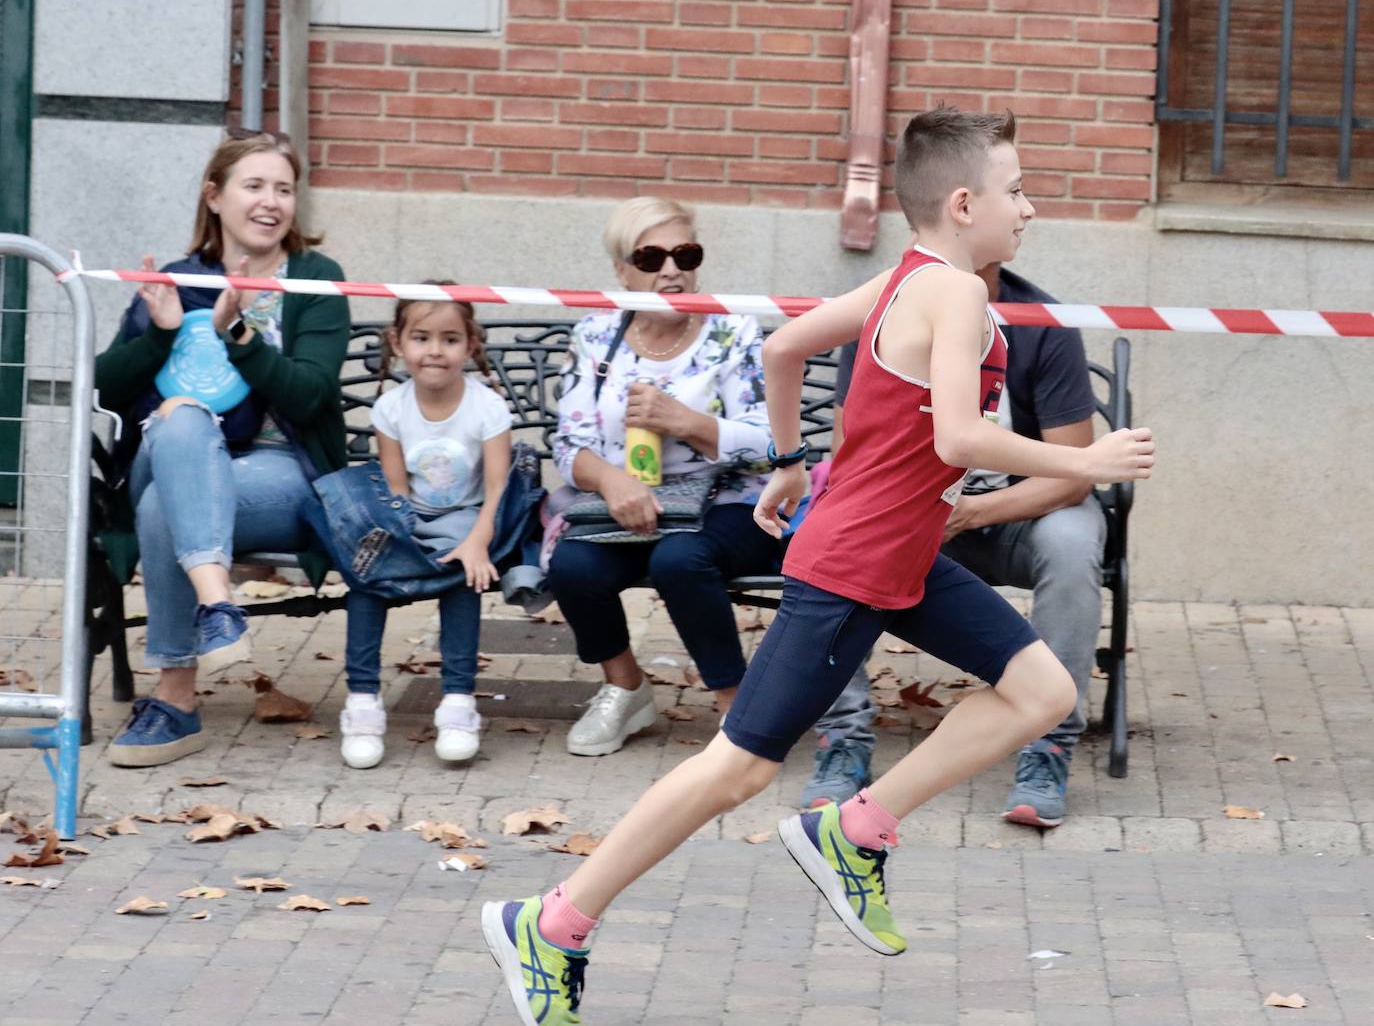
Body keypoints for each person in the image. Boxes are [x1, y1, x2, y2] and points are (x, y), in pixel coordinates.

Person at [481, 106, 1155, 1023]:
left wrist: (792, 459)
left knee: (1042, 692)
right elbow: (959, 437)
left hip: (903, 554)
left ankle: (856, 830)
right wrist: (1088, 460)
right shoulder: (953, 293)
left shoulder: (907, 277)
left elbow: (781, 346)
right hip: (853, 565)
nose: (1029, 208)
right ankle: (550, 921)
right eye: (1018, 190)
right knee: (738, 769)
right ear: (964, 204)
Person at [800, 263, 1107, 829]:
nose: (1025, 219)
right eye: (1011, 207)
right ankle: (842, 738)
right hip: (915, 516)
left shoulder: (1042, 319)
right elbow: (851, 453)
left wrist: (971, 512)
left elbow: (1073, 475)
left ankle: (1048, 745)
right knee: (847, 532)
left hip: (1014, 515)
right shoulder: (887, 309)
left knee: (1073, 537)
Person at [94, 129, 350, 767]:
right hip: (170, 456)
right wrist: (159, 336)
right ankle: (218, 603)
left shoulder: (316, 280)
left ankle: (176, 702)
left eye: (284, 189)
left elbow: (311, 398)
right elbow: (102, 387)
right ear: (215, 196)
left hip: (279, 472)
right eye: (254, 185)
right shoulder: (178, 280)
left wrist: (239, 334)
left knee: (162, 507)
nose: (271, 202)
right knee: (182, 421)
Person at [546, 196, 779, 757]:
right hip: (629, 503)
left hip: (728, 503)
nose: (671, 270)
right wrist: (611, 482)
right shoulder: (597, 333)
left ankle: (736, 709)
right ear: (622, 271)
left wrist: (687, 422)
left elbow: (771, 443)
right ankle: (626, 689)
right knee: (572, 565)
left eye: (685, 255)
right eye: (651, 258)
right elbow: (568, 443)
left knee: (680, 559)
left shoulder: (733, 332)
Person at [334, 297, 512, 769]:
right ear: (398, 344)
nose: (435, 350)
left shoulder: (487, 407)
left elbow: (498, 488)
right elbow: (396, 491)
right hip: (409, 515)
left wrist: (476, 542)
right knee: (366, 576)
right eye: (421, 338)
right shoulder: (391, 408)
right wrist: (400, 544)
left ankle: (458, 703)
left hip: (469, 515)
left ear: (469, 346)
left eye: (450, 339)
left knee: (462, 573)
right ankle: (362, 702)